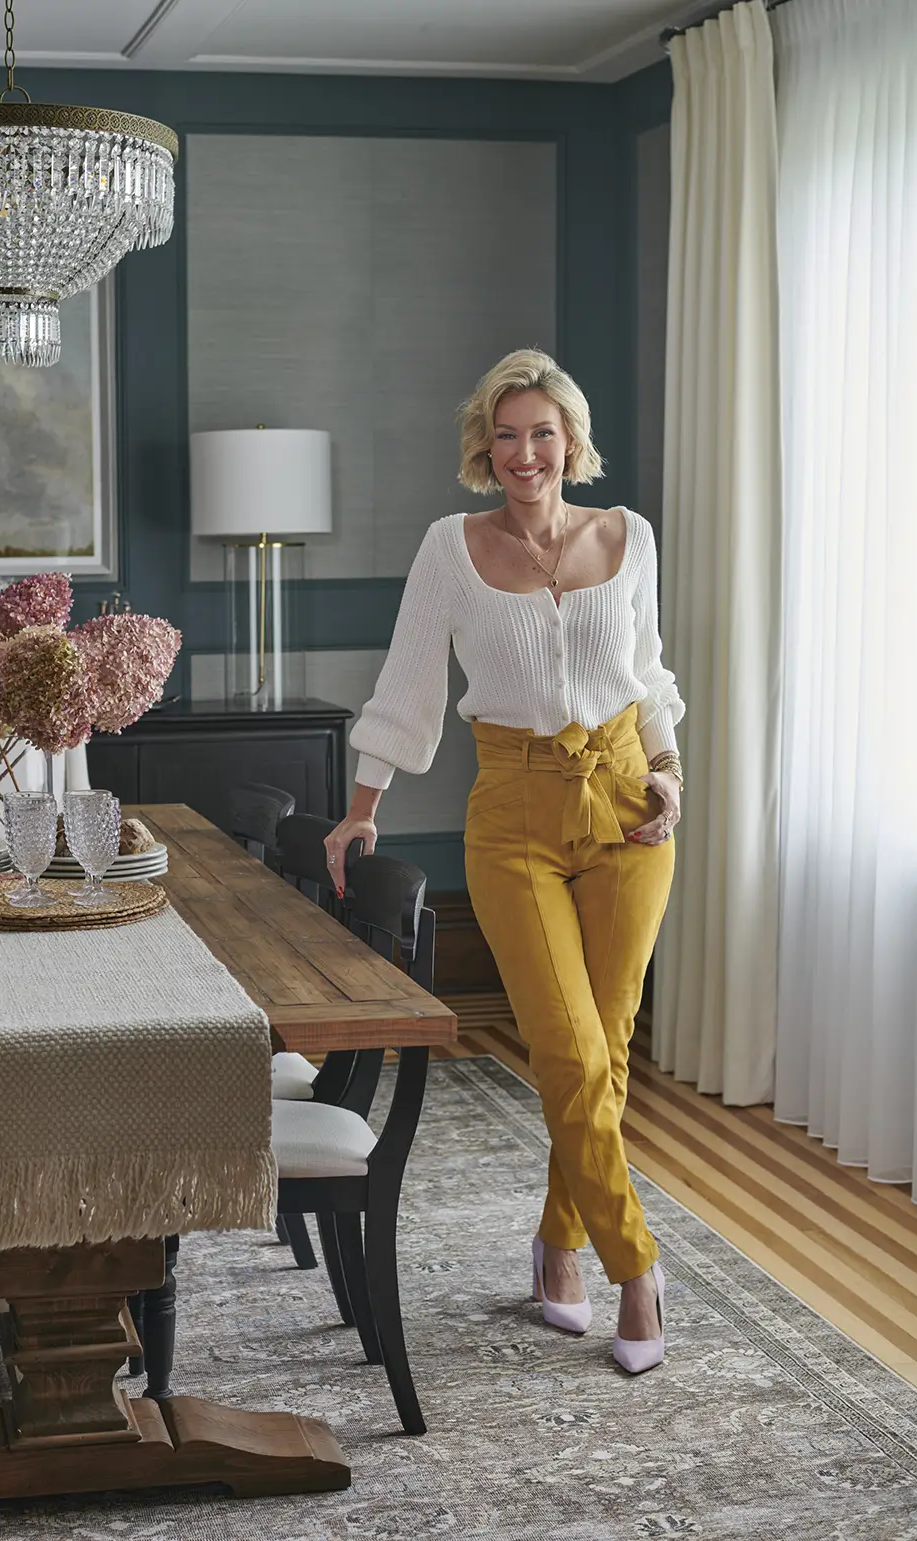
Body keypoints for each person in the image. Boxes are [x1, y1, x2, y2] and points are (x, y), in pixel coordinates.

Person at [323, 348, 684, 1375]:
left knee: (604, 1050)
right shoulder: (454, 547)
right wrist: (361, 809)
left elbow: (647, 671)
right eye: (507, 433)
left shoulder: (627, 536)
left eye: (543, 432)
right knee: (568, 1047)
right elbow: (407, 686)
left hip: (626, 802)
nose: (525, 452)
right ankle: (635, 1262)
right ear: (485, 445)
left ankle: (558, 1242)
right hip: (513, 810)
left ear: (571, 439)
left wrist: (667, 773)